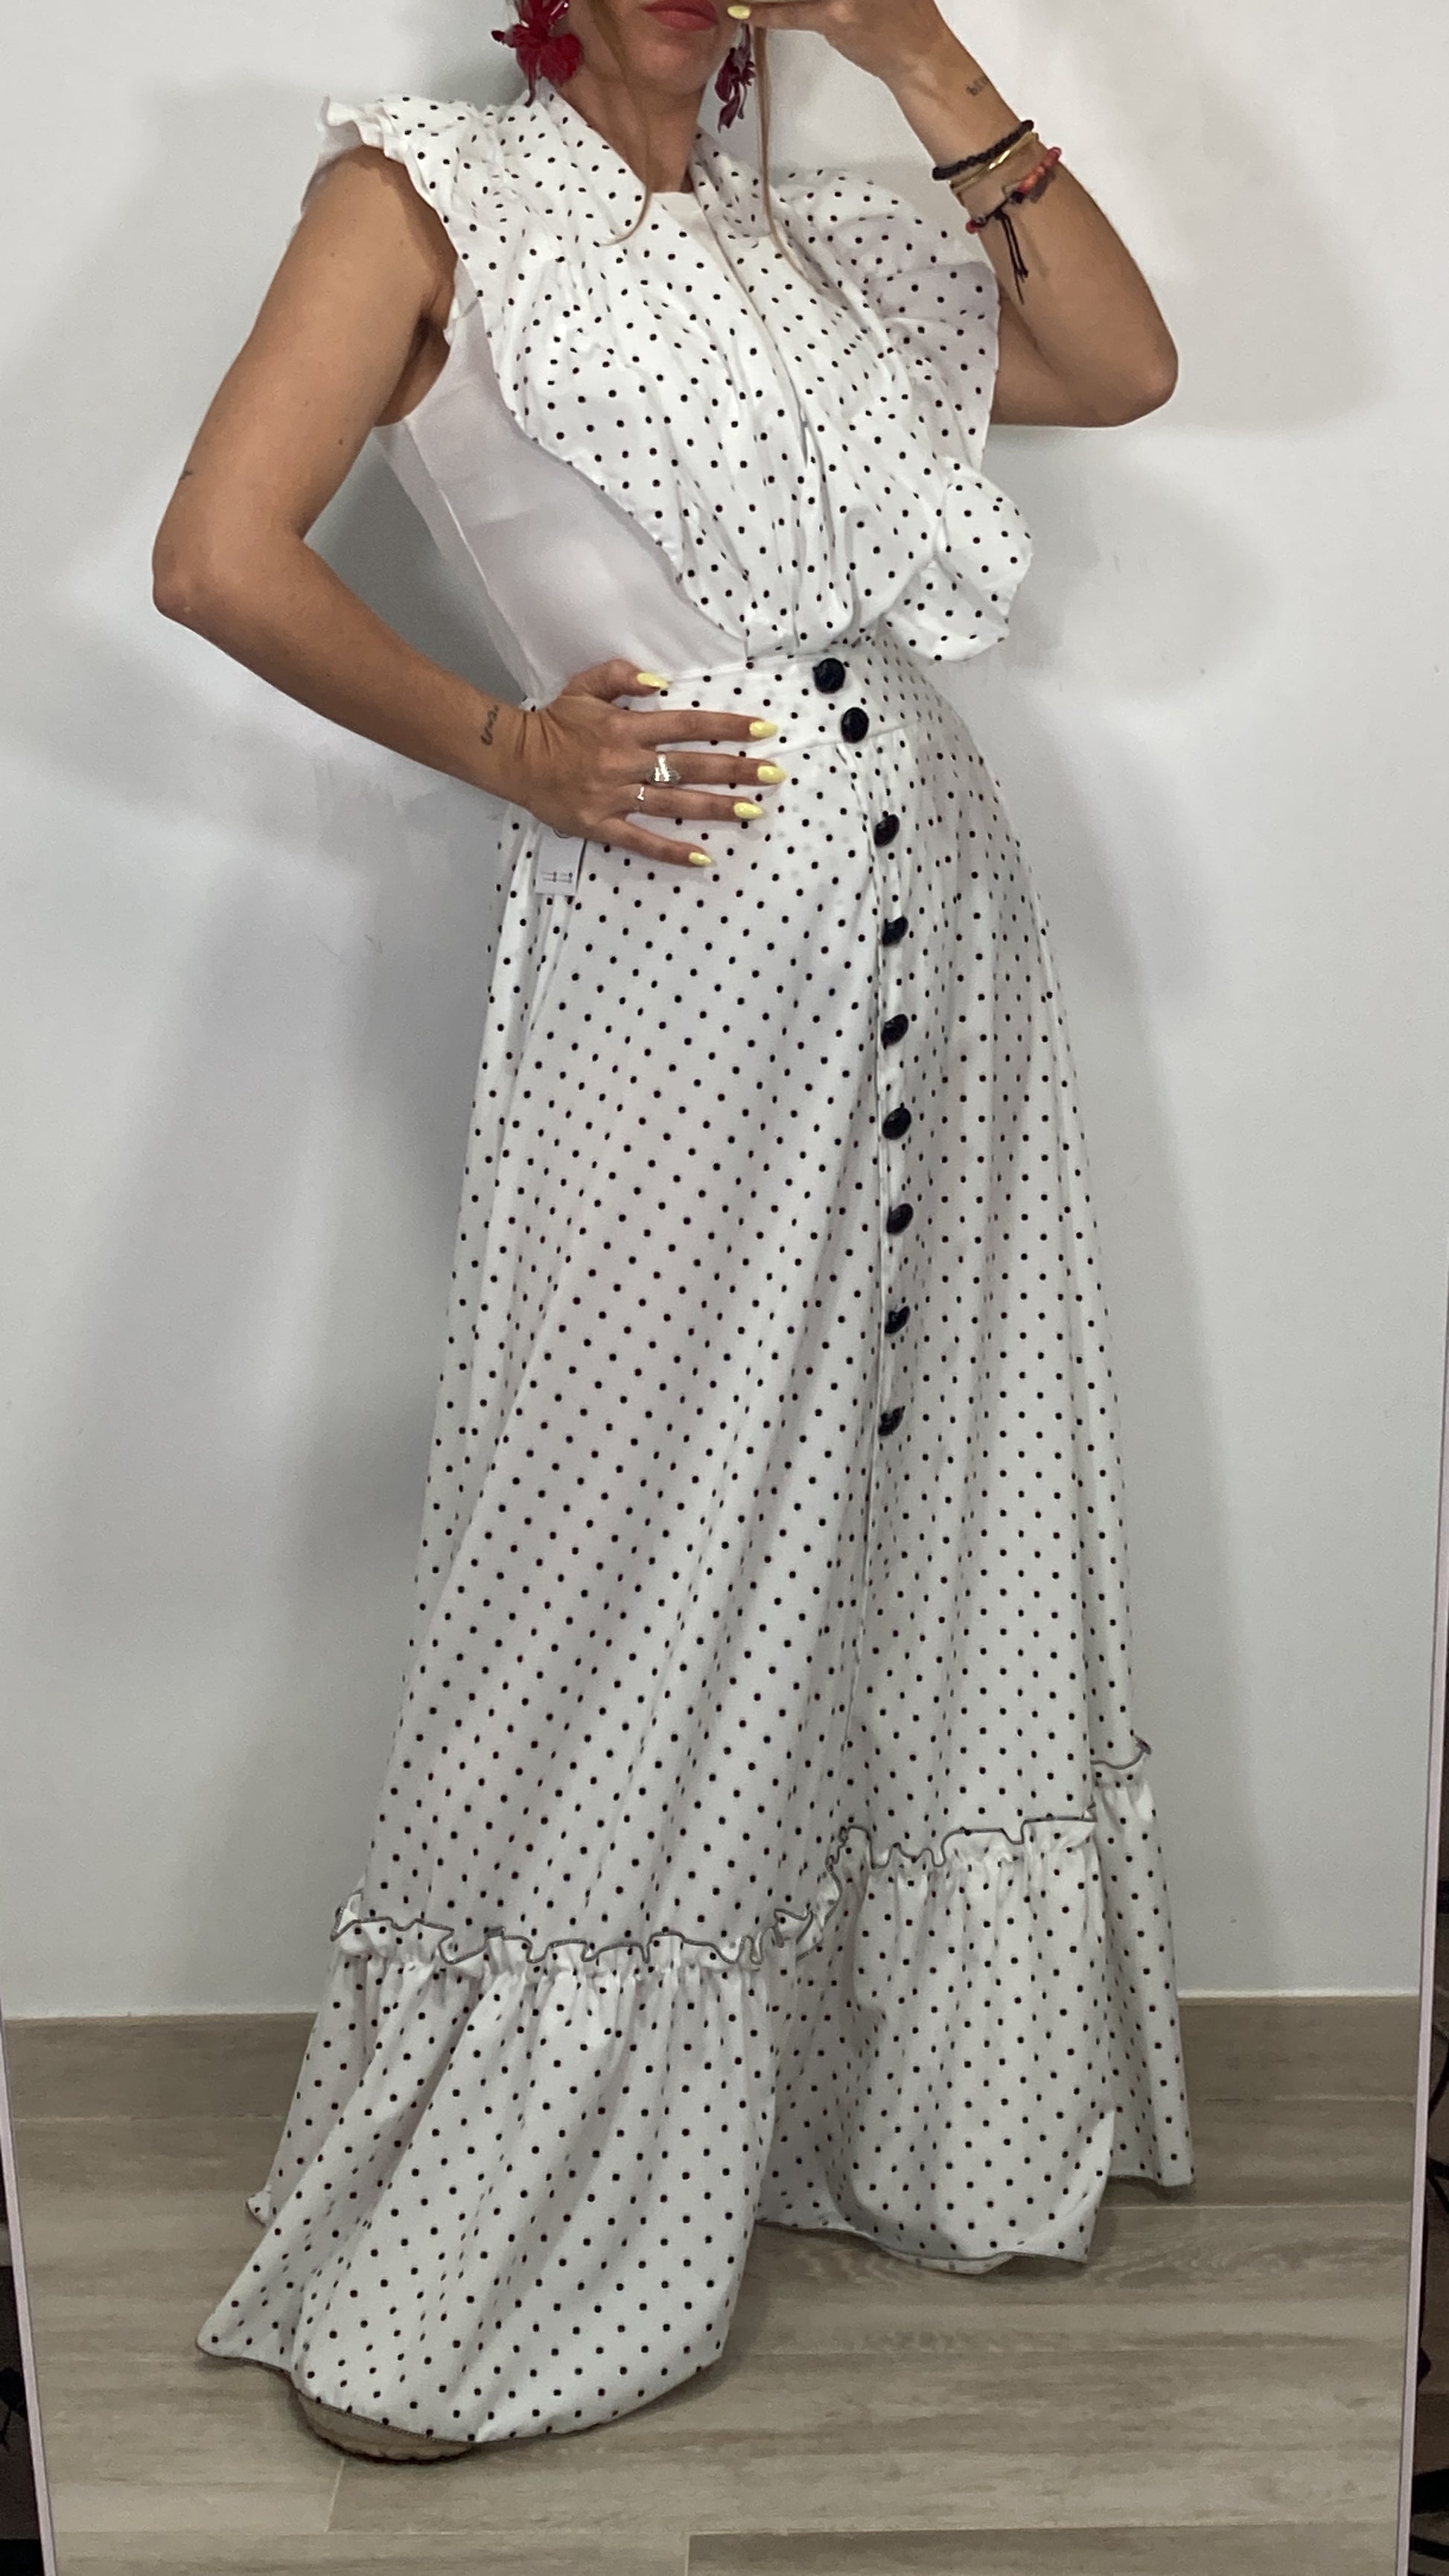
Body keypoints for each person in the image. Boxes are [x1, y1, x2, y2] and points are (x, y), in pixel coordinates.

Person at [155, 0, 1194, 2465]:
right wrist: (509, 742)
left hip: (937, 923)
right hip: (690, 933)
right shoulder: (422, 196)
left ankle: (883, 2114)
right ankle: (492, 2224)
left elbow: (1119, 365)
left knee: (936, 1495)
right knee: (617, 1525)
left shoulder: (801, 242)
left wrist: (915, 53)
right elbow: (213, 555)